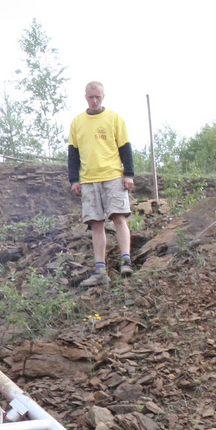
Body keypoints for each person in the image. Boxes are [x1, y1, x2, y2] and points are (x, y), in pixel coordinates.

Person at [67, 81, 136, 285]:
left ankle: (126, 261)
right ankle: (100, 271)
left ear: (103, 96)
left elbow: (125, 147)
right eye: (91, 97)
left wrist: (128, 174)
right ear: (85, 96)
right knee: (96, 223)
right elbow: (73, 154)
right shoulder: (77, 122)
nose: (94, 100)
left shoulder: (114, 118)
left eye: (98, 97)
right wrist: (74, 180)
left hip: (113, 176)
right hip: (88, 180)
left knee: (119, 217)